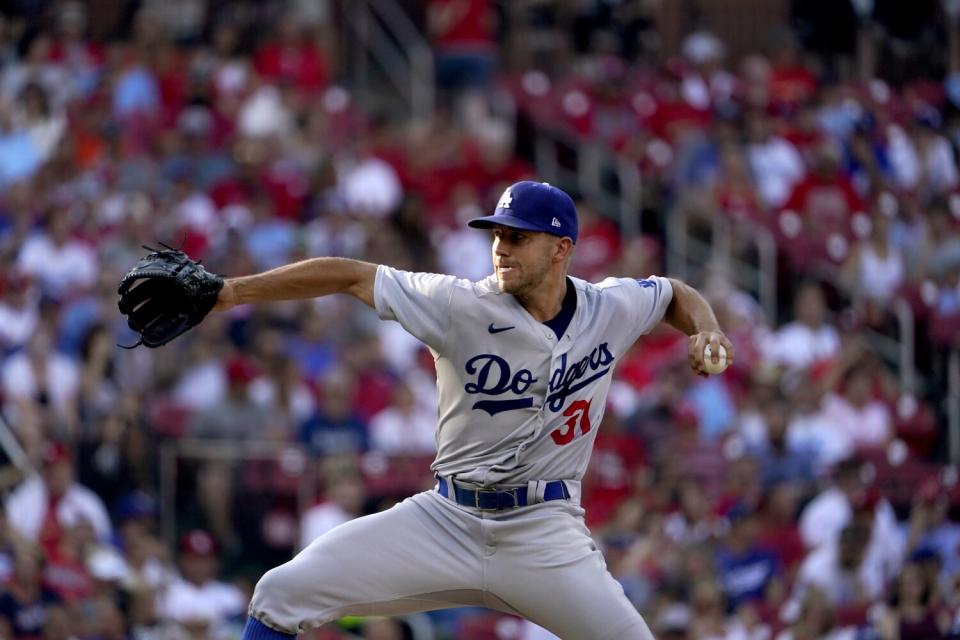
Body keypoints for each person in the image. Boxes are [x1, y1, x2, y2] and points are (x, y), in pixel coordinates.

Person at [207, 181, 734, 639]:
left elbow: (674, 294)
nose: (501, 249)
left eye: (518, 237)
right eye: (498, 235)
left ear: (561, 249)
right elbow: (349, 274)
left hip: (544, 531)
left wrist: (705, 326)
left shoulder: (609, 307)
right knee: (279, 593)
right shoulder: (458, 304)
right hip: (447, 520)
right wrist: (232, 292)